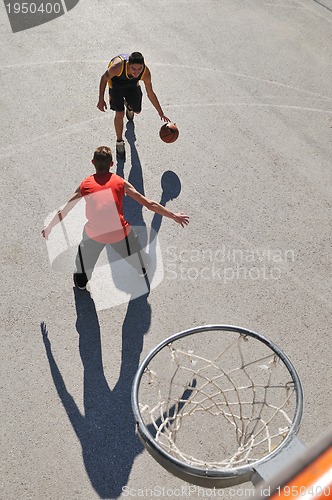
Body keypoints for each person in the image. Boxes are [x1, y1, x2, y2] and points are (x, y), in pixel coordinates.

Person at [42, 146, 189, 290]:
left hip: (94, 235)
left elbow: (65, 210)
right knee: (138, 257)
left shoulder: (85, 185)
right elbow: (149, 204)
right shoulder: (120, 182)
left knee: (83, 264)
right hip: (119, 232)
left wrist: (49, 228)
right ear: (112, 164)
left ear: (92, 162)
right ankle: (142, 268)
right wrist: (173, 215)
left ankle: (81, 283)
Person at [97, 52, 170, 159]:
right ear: (128, 65)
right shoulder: (117, 67)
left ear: (143, 66)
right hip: (115, 84)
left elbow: (150, 93)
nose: (136, 72)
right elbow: (104, 78)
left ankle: (129, 106)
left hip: (131, 85)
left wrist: (160, 112)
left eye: (139, 69)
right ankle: (119, 142)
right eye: (133, 69)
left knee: (137, 111)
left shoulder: (145, 73)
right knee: (119, 113)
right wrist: (101, 99)